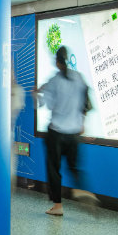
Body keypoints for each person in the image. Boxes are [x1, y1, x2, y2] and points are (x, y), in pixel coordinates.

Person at [37, 46, 91, 217]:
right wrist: (82, 123)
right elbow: (86, 103)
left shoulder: (54, 80)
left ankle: (58, 205)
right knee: (73, 166)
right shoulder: (79, 78)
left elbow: (48, 105)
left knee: (54, 168)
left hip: (57, 133)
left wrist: (38, 93)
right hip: (74, 133)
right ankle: (82, 189)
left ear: (57, 62)